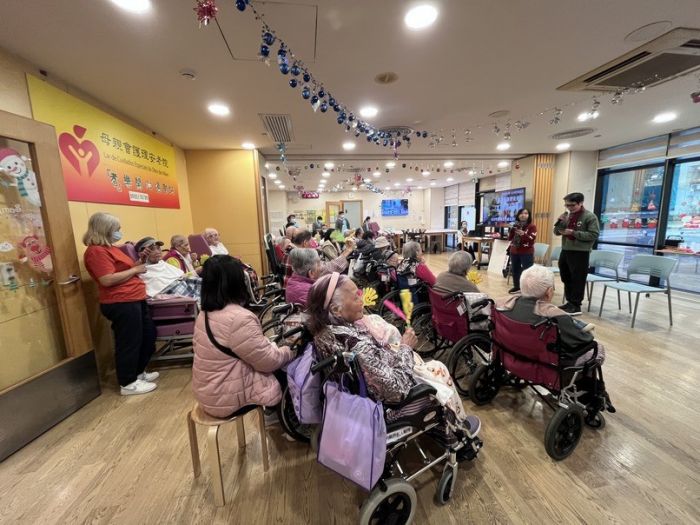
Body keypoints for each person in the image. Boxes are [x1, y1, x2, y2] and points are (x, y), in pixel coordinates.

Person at [306, 273, 481, 448]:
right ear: (336, 310)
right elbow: (396, 391)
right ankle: (458, 435)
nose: (362, 300)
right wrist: (405, 347)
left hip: (358, 397)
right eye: (355, 297)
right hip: (386, 408)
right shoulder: (357, 345)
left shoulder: (324, 333)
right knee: (438, 368)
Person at [497, 265, 614, 409]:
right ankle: (589, 390)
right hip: (546, 366)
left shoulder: (503, 305)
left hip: (511, 356)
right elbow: (584, 341)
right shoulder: (555, 316)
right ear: (549, 292)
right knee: (596, 348)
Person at [192, 255, 294, 418]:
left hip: (208, 392)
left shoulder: (204, 313)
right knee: (290, 367)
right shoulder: (239, 318)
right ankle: (282, 416)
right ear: (236, 282)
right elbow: (268, 362)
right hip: (227, 398)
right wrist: (289, 351)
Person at [82, 212, 158, 396]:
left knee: (148, 336)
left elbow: (127, 269)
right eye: (116, 229)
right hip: (121, 302)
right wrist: (135, 270)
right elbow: (107, 279)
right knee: (129, 342)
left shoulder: (111, 248)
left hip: (135, 298)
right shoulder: (96, 252)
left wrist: (140, 261)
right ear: (105, 229)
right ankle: (128, 382)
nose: (119, 232)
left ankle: (138, 372)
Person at [553, 192, 600, 314]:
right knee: (565, 276)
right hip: (566, 250)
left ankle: (576, 305)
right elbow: (556, 232)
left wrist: (573, 233)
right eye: (567, 205)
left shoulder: (589, 217)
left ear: (580, 203)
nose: (569, 208)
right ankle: (569, 302)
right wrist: (560, 222)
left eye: (572, 205)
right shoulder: (567, 216)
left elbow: (594, 234)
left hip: (580, 252)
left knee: (578, 278)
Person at [135, 236, 201, 301]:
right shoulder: (142, 270)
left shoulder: (161, 263)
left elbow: (181, 276)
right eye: (152, 249)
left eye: (158, 248)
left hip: (185, 283)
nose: (157, 251)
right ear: (142, 254)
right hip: (176, 292)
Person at [283, 230, 354, 285]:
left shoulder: (290, 252)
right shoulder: (300, 256)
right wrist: (347, 251)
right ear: (305, 243)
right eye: (312, 242)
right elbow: (327, 268)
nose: (313, 245)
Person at [508, 208, 537, 294]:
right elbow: (510, 238)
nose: (523, 215)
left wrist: (523, 234)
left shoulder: (532, 226)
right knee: (515, 270)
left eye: (526, 213)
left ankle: (528, 289)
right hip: (514, 250)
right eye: (521, 213)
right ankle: (517, 287)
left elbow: (531, 239)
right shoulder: (515, 225)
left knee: (527, 271)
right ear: (518, 215)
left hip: (526, 251)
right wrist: (511, 230)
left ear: (529, 216)